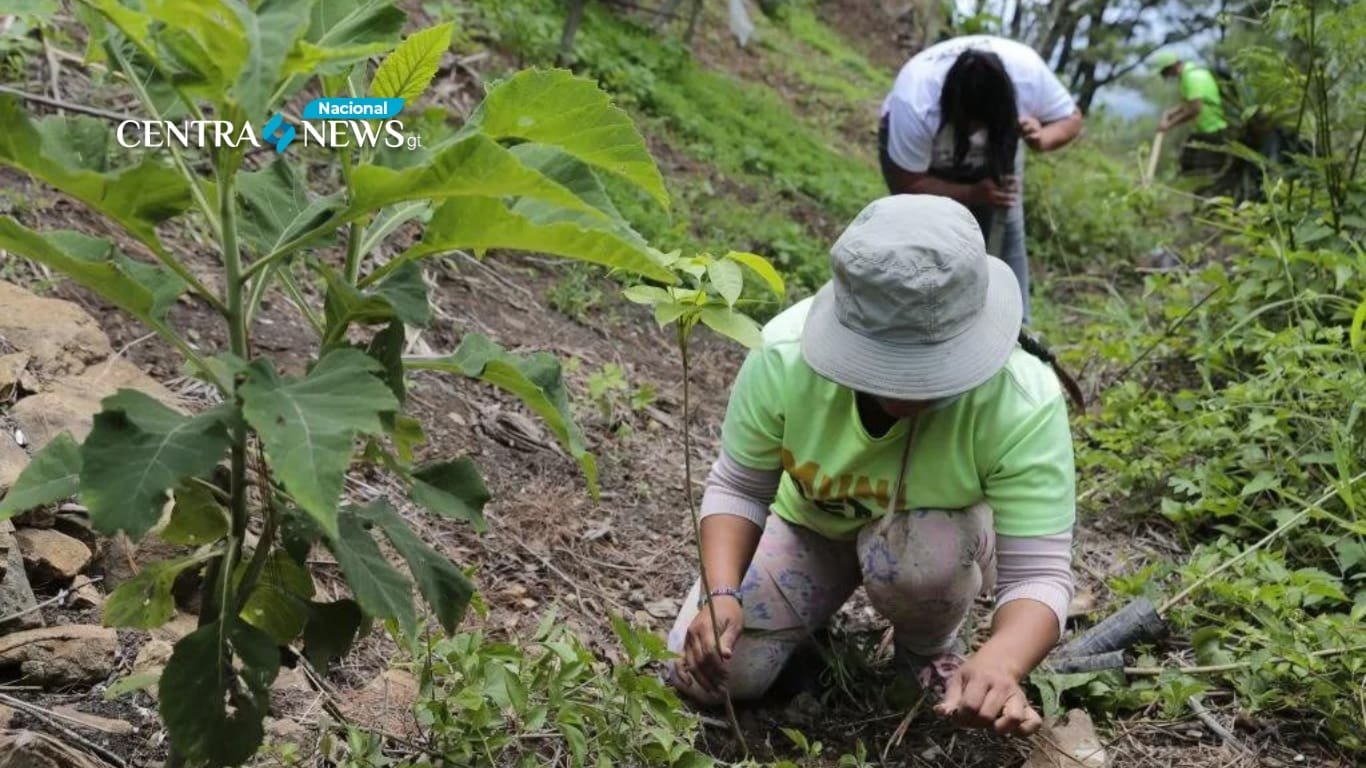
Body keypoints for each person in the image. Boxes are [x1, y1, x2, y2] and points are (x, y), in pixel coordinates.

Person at [666, 195, 1077, 737]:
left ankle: (927, 650)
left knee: (921, 557)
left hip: (938, 540)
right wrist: (721, 595)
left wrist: (1002, 661)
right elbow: (740, 487)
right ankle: (811, 630)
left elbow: (1040, 574)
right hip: (811, 526)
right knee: (710, 675)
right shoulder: (784, 356)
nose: (905, 388)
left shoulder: (1021, 399)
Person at [878, 35, 1083, 324]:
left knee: (1007, 235)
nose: (977, 135)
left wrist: (1041, 138)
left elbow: (1071, 119)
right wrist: (972, 192)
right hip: (927, 161)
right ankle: (919, 322)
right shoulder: (914, 103)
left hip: (999, 155)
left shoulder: (1028, 76)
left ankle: (1016, 331)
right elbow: (909, 187)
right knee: (923, 234)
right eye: (972, 125)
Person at [1153, 51, 1230, 181]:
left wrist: (1168, 125)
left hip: (1213, 132)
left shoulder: (1192, 77)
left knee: (1204, 172)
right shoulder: (1188, 75)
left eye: (1165, 73)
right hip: (1202, 130)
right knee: (1187, 164)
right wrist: (1173, 112)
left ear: (1172, 67)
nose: (1167, 77)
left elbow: (1195, 109)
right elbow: (1191, 102)